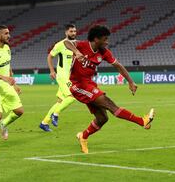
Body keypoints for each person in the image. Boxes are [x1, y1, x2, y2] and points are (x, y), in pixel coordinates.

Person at [64, 25, 155, 153]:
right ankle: (142, 121)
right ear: (96, 39)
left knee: (102, 119)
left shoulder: (104, 52)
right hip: (77, 85)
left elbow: (118, 65)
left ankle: (83, 136)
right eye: (105, 39)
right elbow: (66, 42)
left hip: (89, 84)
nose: (107, 42)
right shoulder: (82, 45)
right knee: (109, 103)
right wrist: (77, 52)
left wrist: (130, 81)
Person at [0, 25, 24, 151]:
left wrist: (14, 84)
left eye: (8, 33)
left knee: (19, 111)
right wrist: (4, 78)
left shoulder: (7, 48)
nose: (9, 36)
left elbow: (8, 65)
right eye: (6, 33)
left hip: (6, 86)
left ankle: (4, 125)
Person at [39, 24, 77, 131]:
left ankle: (44, 122)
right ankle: (55, 114)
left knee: (60, 101)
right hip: (62, 76)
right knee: (72, 97)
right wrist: (52, 70)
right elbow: (50, 56)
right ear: (66, 32)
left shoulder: (77, 44)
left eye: (74, 31)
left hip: (70, 77)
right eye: (71, 31)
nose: (73, 33)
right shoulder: (60, 45)